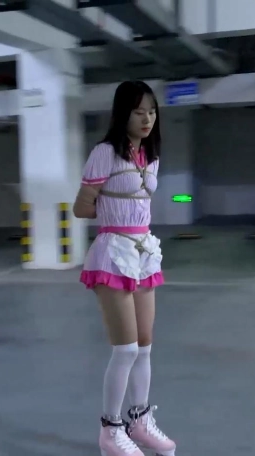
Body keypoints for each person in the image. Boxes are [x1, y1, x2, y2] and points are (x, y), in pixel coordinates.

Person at [73, 80, 176, 456]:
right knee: (126, 349)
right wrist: (112, 209)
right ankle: (110, 431)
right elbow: (81, 207)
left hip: (144, 250)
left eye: (152, 111)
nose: (147, 119)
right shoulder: (104, 153)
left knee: (145, 347)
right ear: (122, 114)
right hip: (112, 251)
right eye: (138, 112)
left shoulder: (150, 154)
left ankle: (140, 421)